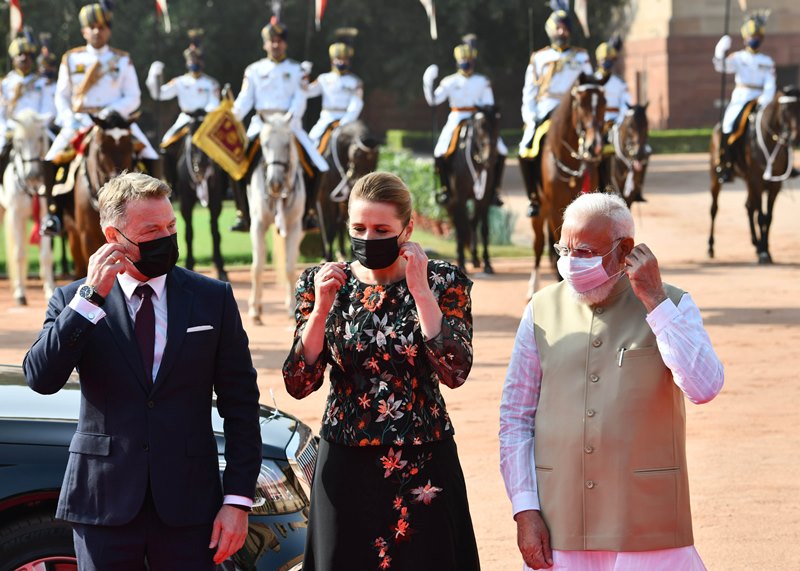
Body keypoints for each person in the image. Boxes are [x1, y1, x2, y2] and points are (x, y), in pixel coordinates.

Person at [23, 172, 262, 569]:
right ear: (114, 236)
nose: (167, 238)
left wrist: (237, 501)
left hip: (189, 506)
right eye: (152, 230)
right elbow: (41, 377)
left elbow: (241, 404)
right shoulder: (73, 299)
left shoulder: (212, 298)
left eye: (171, 226)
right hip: (102, 502)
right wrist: (88, 300)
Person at [499, 192, 724, 570]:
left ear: (626, 251)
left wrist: (654, 301)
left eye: (585, 252)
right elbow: (515, 418)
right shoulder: (540, 310)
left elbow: (704, 387)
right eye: (564, 250)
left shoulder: (671, 303)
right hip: (560, 516)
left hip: (646, 519)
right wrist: (525, 510)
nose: (570, 263)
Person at [282, 171, 480, 570]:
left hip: (423, 460)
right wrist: (321, 309)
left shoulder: (443, 281)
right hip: (345, 463)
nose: (369, 239)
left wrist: (421, 291)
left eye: (381, 229)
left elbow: (454, 371)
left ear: (407, 229)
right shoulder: (321, 282)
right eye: (359, 228)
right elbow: (299, 382)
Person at [40, 2, 159, 237]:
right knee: (51, 156)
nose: (97, 31)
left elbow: (133, 96)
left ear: (109, 30)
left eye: (102, 27)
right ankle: (53, 214)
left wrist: (110, 114)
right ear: (84, 31)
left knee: (151, 154)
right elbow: (61, 96)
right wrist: (69, 119)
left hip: (115, 122)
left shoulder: (122, 59)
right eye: (92, 27)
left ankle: (158, 207)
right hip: (81, 121)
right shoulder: (71, 59)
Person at [231, 16, 329, 232]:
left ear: (285, 43)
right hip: (262, 125)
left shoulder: (297, 70)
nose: (276, 44)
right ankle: (243, 214)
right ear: (265, 44)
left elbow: (300, 99)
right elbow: (245, 99)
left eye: (280, 40)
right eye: (271, 41)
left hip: (289, 124)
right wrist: (230, 116)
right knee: (236, 165)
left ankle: (309, 213)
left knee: (318, 165)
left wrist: (288, 120)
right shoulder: (253, 70)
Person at [519, 10, 592, 217]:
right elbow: (529, 91)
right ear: (550, 30)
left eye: (566, 28)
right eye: (558, 27)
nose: (562, 31)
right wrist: (530, 117)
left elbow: (589, 84)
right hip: (546, 109)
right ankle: (533, 196)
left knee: (599, 146)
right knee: (525, 149)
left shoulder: (581, 55)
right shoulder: (539, 57)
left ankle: (602, 190)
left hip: (574, 111)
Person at [423, 34, 507, 207]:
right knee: (440, 151)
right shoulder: (449, 81)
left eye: (469, 60)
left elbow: (489, 104)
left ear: (474, 61)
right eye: (463, 60)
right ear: (457, 61)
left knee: (502, 150)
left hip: (477, 117)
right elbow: (433, 100)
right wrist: (427, 81)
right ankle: (446, 189)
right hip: (456, 117)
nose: (466, 63)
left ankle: (495, 191)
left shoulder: (482, 81)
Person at [146, 32, 221, 188]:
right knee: (166, 145)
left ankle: (222, 183)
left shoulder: (211, 83)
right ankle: (169, 182)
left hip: (206, 121)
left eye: (197, 59)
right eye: (191, 59)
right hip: (185, 119)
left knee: (222, 149)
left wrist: (205, 111)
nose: (194, 62)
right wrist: (154, 75)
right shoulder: (180, 82)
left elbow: (215, 103)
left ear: (202, 61)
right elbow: (159, 94)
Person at [713, 12, 779, 183]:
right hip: (741, 99)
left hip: (761, 99)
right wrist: (720, 50)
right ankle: (725, 163)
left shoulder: (767, 61)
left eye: (757, 36)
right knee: (728, 124)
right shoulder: (738, 57)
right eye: (751, 36)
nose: (754, 39)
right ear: (745, 37)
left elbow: (770, 82)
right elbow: (721, 66)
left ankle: (785, 163)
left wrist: (766, 99)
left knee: (780, 125)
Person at [0, 35, 57, 179]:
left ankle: (55, 194)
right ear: (13, 59)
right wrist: (7, 128)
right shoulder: (5, 85)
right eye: (20, 55)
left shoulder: (42, 83)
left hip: (37, 131)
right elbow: (1, 112)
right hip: (11, 131)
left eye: (28, 55)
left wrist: (37, 126)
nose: (24, 58)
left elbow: (48, 110)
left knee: (58, 154)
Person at [306, 37, 364, 151]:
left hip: (347, 119)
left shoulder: (355, 82)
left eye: (345, 59)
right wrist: (303, 77)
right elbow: (308, 92)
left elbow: (356, 105)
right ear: (332, 60)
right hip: (326, 118)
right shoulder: (323, 78)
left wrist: (344, 122)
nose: (342, 62)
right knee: (310, 140)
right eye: (338, 59)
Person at [594, 38, 630, 128]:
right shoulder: (591, 81)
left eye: (610, 59)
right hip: (595, 123)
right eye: (604, 59)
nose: (607, 61)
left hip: (616, 123)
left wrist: (619, 121)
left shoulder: (620, 83)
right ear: (598, 60)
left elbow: (625, 104)